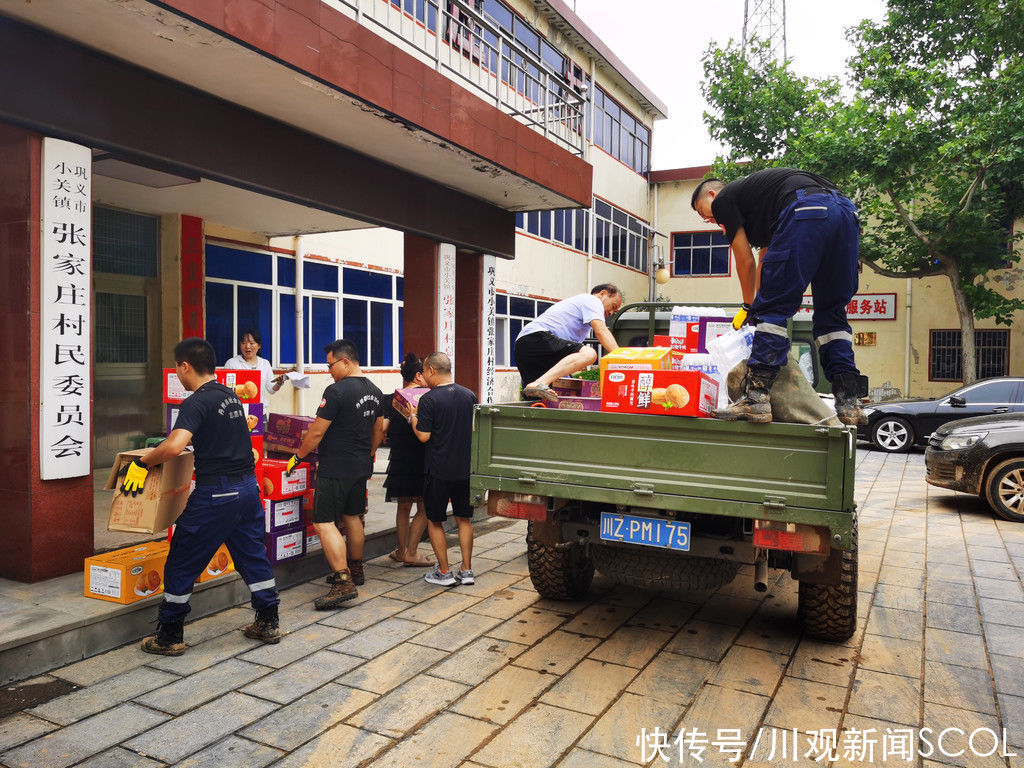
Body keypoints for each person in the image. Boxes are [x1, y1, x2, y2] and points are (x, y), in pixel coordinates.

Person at [120, 338, 282, 655]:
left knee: (182, 559)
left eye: (178, 368)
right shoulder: (230, 396)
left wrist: (140, 465)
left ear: (185, 366)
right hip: (248, 490)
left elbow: (174, 445)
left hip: (217, 494)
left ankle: (169, 635)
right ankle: (268, 620)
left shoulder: (196, 402)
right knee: (251, 556)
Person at [690, 168, 867, 426]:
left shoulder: (724, 200)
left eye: (702, 211)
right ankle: (849, 400)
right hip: (846, 214)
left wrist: (750, 306)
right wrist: (759, 300)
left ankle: (757, 398)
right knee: (833, 314)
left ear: (712, 194)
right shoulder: (765, 202)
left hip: (806, 211)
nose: (709, 219)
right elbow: (766, 259)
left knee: (773, 312)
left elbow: (744, 260)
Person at [287, 339, 385, 609]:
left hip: (335, 466)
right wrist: (369, 452)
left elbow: (316, 432)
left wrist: (298, 456)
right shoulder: (376, 391)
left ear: (345, 361)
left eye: (330, 364)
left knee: (323, 522)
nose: (328, 370)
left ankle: (343, 582)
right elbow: (379, 430)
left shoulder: (337, 391)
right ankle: (356, 570)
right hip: (360, 465)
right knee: (352, 517)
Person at [409, 352, 478, 587]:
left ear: (430, 371)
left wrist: (412, 418)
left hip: (438, 471)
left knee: (435, 520)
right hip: (465, 470)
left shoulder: (429, 400)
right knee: (464, 519)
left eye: (424, 372)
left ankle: (445, 572)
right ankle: (467, 570)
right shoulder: (469, 395)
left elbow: (424, 436)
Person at [514, 284, 624, 404]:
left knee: (544, 401)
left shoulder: (580, 315)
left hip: (525, 348)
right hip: (536, 338)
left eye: (615, 311)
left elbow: (566, 358)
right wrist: (624, 359)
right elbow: (601, 331)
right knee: (589, 353)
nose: (611, 313)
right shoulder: (592, 300)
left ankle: (537, 385)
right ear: (602, 294)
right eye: (613, 306)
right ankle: (539, 383)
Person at [382, 353, 433, 567]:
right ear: (419, 376)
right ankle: (412, 552)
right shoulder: (430, 398)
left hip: (400, 459)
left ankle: (401, 551)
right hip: (424, 458)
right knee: (423, 508)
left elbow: (382, 429)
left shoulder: (392, 399)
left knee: (403, 507)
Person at [223, 328, 286, 411]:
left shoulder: (265, 364)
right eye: (243, 343)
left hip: (259, 410)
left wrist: (279, 383)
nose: (247, 346)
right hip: (237, 411)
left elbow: (271, 389)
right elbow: (224, 390)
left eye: (252, 343)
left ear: (259, 345)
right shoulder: (231, 363)